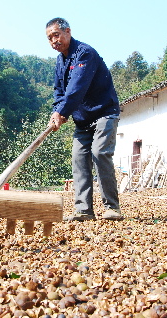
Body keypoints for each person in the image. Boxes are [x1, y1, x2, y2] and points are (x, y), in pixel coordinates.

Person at [45, 17, 122, 221]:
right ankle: (84, 210)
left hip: (104, 112)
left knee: (99, 153)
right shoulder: (60, 61)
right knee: (79, 159)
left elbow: (77, 88)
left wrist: (63, 111)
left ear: (67, 32)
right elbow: (59, 92)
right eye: (50, 38)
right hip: (82, 119)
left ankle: (112, 208)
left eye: (56, 35)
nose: (54, 40)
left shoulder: (84, 53)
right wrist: (56, 111)